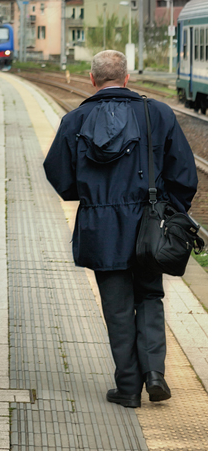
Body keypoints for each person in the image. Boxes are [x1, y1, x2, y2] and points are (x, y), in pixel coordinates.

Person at [43, 49, 197, 408]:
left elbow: (58, 173)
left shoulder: (76, 119)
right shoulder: (155, 113)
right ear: (127, 78)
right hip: (148, 225)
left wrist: (86, 197)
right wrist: (169, 213)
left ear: (93, 80)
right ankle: (155, 373)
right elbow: (184, 175)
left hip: (100, 228)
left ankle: (128, 389)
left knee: (116, 307)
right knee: (149, 296)